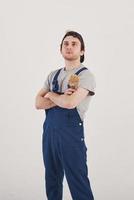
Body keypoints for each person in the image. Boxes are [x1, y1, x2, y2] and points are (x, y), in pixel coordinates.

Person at [35, 31, 96, 200]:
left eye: (74, 44)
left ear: (82, 51)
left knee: (78, 182)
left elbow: (70, 104)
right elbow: (37, 103)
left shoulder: (85, 75)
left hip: (71, 137)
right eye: (66, 44)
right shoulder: (52, 75)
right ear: (60, 49)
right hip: (50, 134)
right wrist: (61, 97)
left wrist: (52, 95)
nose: (69, 46)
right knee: (52, 180)